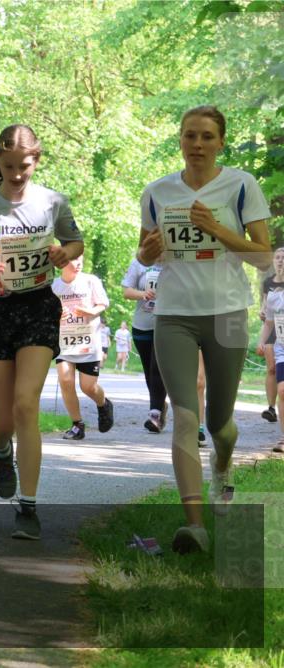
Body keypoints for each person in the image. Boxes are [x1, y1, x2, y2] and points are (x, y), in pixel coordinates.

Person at [138, 105, 271, 554]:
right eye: (190, 136)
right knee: (185, 415)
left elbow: (263, 256)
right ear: (180, 138)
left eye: (207, 137)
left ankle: (224, 464)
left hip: (229, 312)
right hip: (173, 312)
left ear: (221, 143)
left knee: (219, 421)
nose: (197, 144)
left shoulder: (241, 186)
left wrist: (214, 228)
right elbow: (145, 256)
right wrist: (148, 252)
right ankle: (194, 524)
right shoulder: (157, 192)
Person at [0, 124, 83, 539]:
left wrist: (64, 253)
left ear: (36, 160)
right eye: (8, 167)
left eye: (24, 166)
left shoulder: (52, 202)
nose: (16, 174)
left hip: (37, 307)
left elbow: (75, 243)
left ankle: (28, 507)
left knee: (27, 404)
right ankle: (1, 449)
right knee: (3, 420)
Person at [52, 256, 115, 440]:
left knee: (88, 387)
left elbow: (102, 304)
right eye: (73, 260)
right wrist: (56, 314)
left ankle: (103, 404)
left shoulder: (90, 281)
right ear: (62, 262)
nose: (78, 264)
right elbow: (46, 311)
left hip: (88, 342)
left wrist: (90, 311)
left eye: (80, 259)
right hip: (65, 343)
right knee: (65, 380)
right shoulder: (54, 286)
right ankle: (77, 424)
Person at [122, 259, 168, 432]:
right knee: (150, 373)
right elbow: (126, 292)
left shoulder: (176, 261)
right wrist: (142, 294)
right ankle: (160, 405)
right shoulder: (139, 263)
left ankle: (154, 415)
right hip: (142, 324)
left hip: (166, 323)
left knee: (158, 368)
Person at [256, 259, 284, 454]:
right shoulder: (274, 296)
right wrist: (261, 340)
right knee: (282, 390)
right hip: (281, 346)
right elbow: (269, 323)